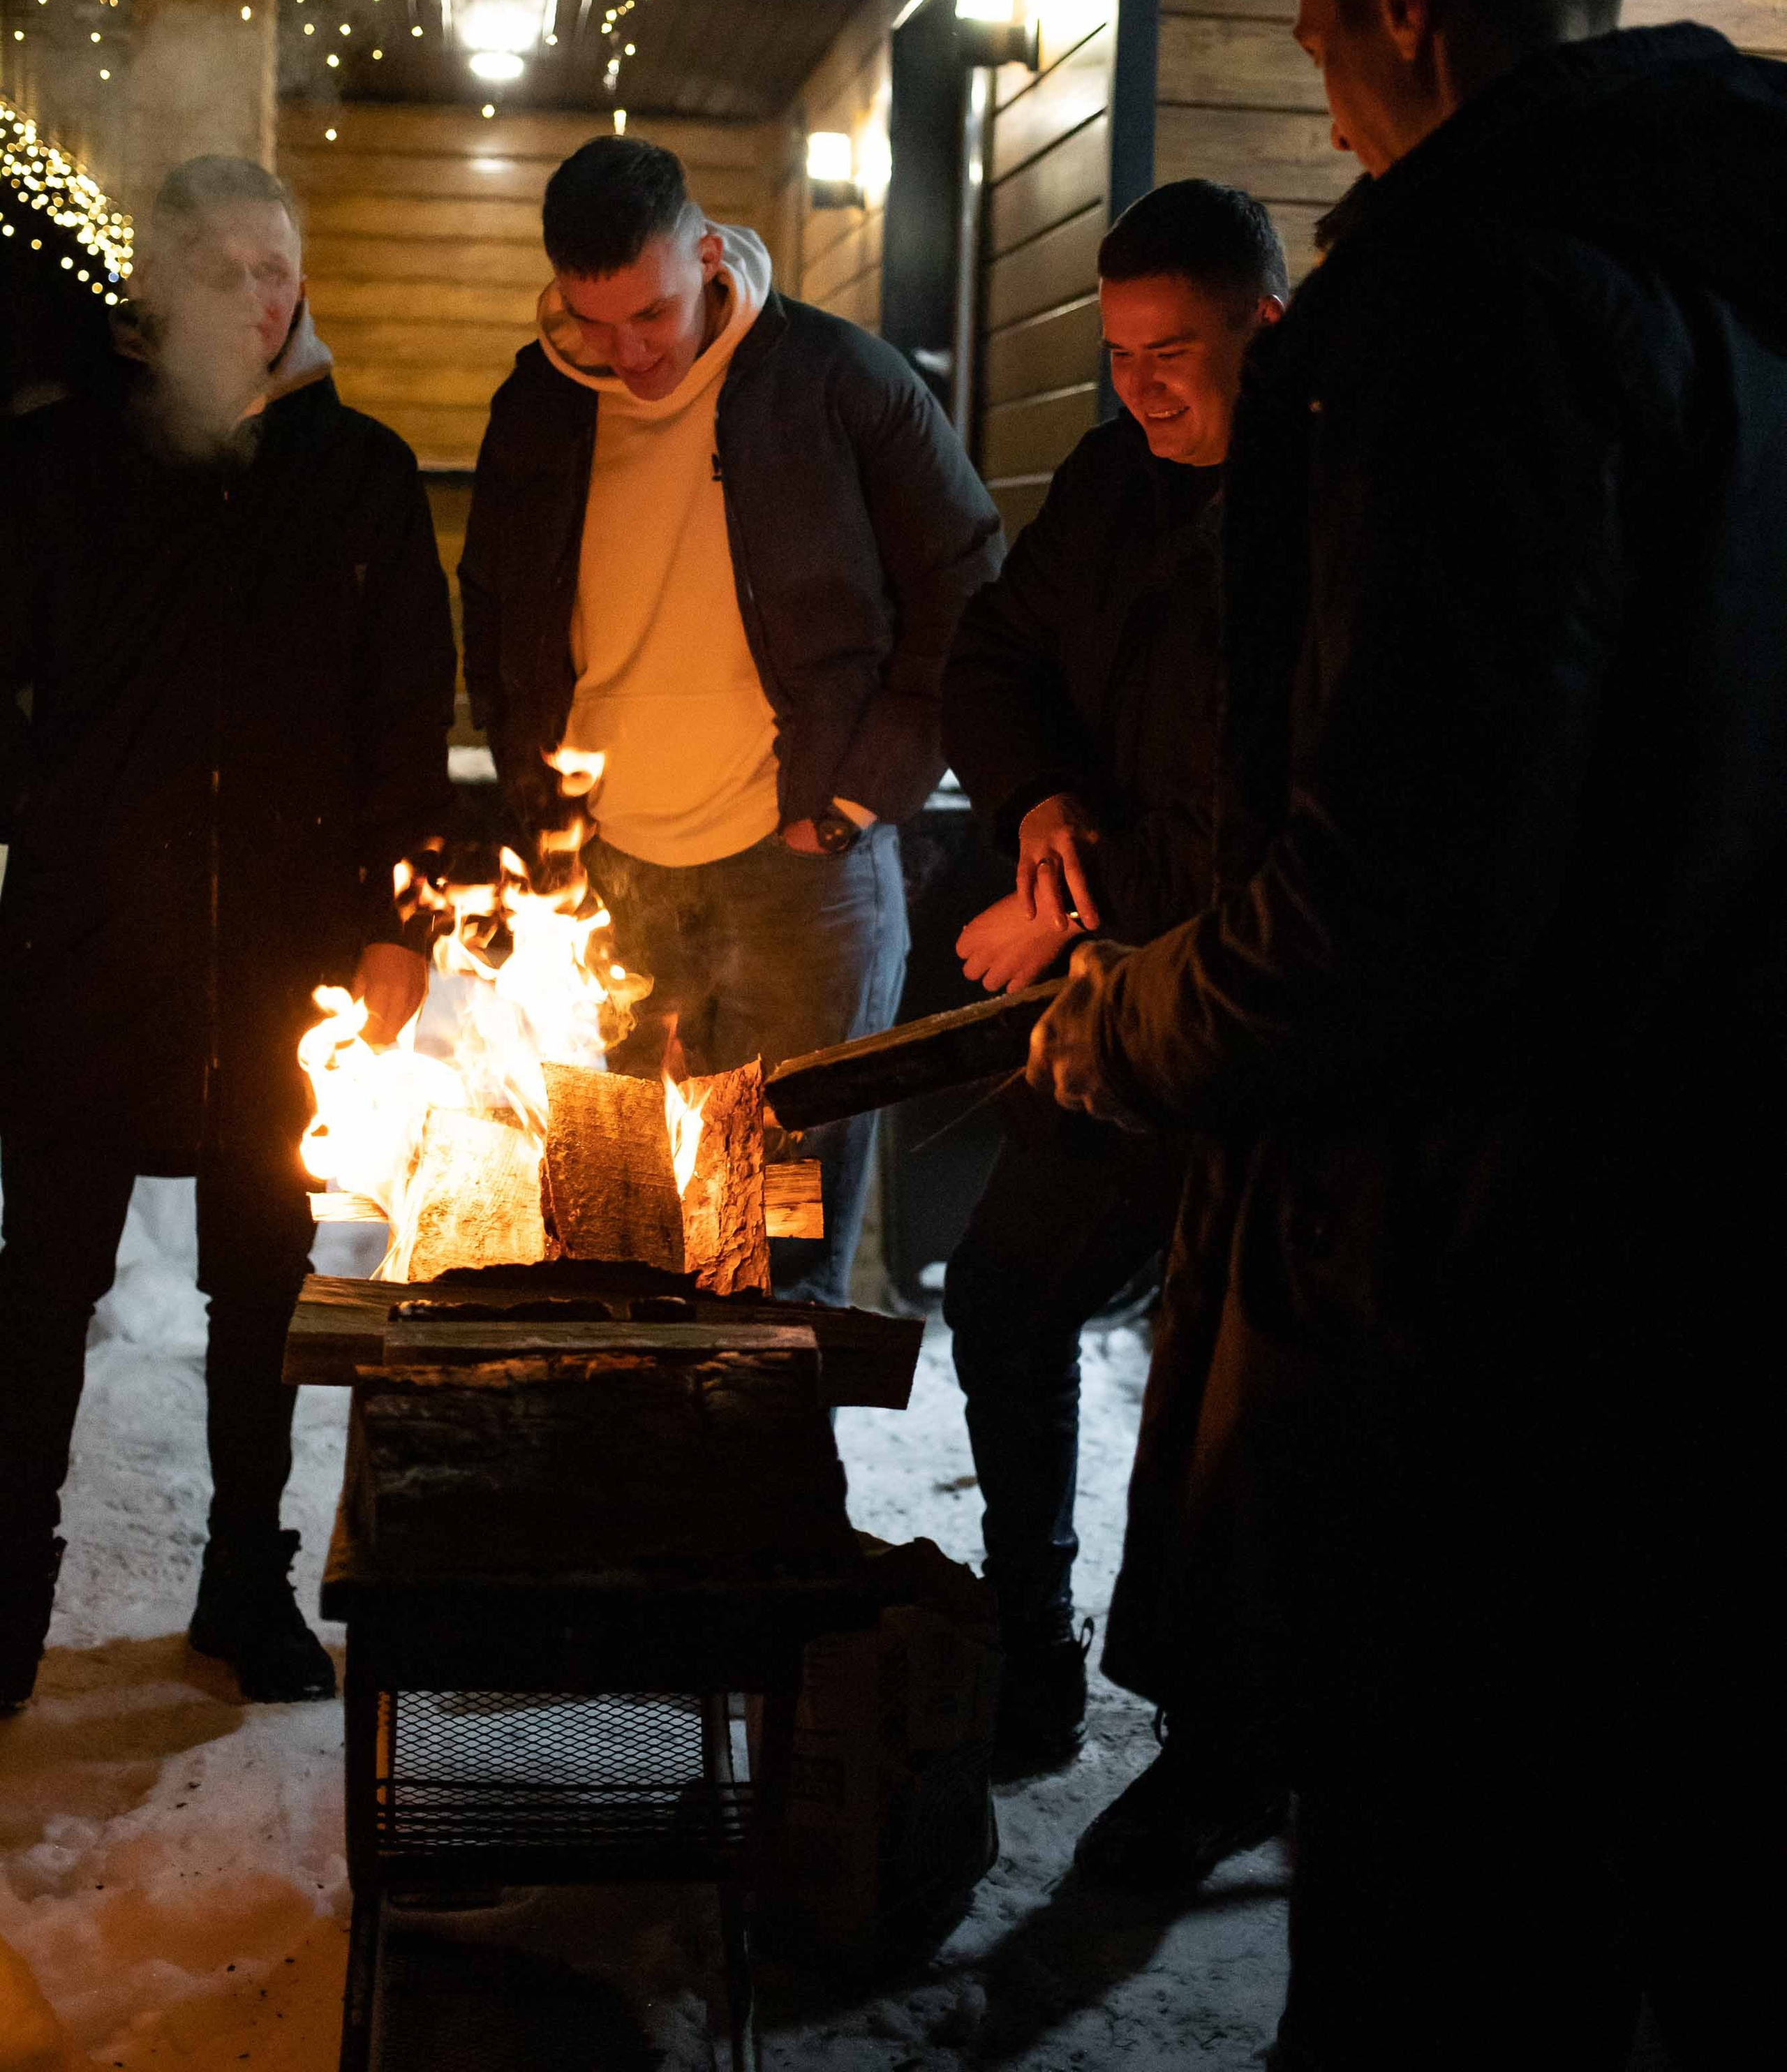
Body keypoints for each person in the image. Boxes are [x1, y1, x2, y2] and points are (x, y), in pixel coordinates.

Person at [1029, 0, 1785, 2066]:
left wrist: (1131, 1021)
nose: (1329, 103)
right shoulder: (1740, 273)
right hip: (1716, 1257)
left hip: (1491, 1304)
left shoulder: (1475, 301)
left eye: (1324, 37)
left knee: (1446, 1948)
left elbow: (1400, 889)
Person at [0, 156, 455, 1711]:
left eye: (280, 268)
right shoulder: (64, 466)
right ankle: (7, 1595)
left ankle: (242, 1588)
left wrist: (398, 922)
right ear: (161, 292)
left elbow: (408, 719)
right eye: (225, 271)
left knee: (261, 1287)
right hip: (81, 950)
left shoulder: (360, 474)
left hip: (283, 961)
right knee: (42, 1282)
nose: (262, 300)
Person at [459, 135, 1001, 1304]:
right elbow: (493, 608)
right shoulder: (541, 404)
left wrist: (864, 795)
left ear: (707, 254)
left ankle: (772, 1489)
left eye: (650, 314)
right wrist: (533, 796)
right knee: (616, 1241)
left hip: (802, 876)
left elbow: (967, 583)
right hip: (605, 882)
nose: (628, 353)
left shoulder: (837, 378)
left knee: (778, 1253)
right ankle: (641, 1481)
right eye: (592, 321)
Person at [941, 184, 1286, 1863]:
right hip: (1100, 1009)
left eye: (1173, 355)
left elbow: (1253, 825)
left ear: (1263, 332)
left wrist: (1065, 901)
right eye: (1117, 355)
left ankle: (1227, 1740)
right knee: (1004, 1295)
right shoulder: (1103, 483)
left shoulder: (1312, 522)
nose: (1140, 387)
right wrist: (1036, 803)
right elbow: (995, 652)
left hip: (1242, 1024)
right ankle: (1028, 1648)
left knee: (1219, 1397)